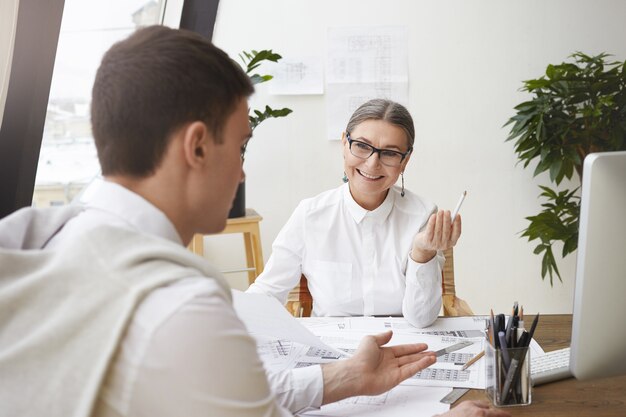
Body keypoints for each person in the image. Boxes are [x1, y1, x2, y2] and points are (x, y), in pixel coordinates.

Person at [0, 26, 508, 417]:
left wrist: (346, 378)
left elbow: (245, 392)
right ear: (197, 146)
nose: (243, 170)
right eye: (241, 146)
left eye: (390, 154)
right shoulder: (185, 304)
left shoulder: (25, 239)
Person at [247, 98, 461, 328]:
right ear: (344, 144)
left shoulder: (422, 216)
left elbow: (421, 319)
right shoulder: (310, 215)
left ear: (405, 161)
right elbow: (267, 292)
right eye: (361, 145)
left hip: (401, 350)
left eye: (389, 153)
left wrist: (421, 252)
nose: (372, 163)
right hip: (334, 354)